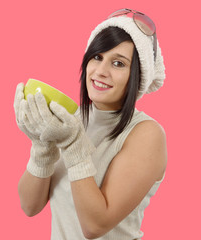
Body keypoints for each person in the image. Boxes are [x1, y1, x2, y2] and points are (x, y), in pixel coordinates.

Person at [14, 8, 167, 240]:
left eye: (118, 64)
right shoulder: (70, 122)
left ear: (137, 76)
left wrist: (74, 146)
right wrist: (41, 147)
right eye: (97, 57)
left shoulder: (146, 134)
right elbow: (29, 206)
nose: (101, 71)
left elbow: (95, 226)